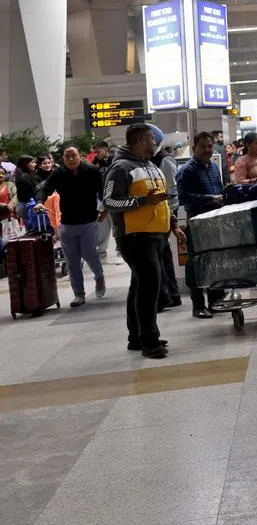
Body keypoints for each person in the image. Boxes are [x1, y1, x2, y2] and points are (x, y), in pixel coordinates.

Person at [104, 123, 179, 359]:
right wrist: (140, 202)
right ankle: (150, 341)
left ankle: (136, 337)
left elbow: (160, 199)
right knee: (149, 286)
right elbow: (109, 201)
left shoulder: (149, 165)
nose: (155, 143)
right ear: (142, 140)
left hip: (156, 233)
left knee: (140, 285)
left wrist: (173, 223)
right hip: (135, 236)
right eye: (152, 139)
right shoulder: (120, 168)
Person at [36, 146, 106, 307]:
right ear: (63, 159)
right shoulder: (59, 173)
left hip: (89, 221)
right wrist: (39, 202)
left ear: (80, 156)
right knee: (72, 261)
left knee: (90, 254)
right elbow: (44, 189)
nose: (71, 159)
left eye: (74, 155)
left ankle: (99, 277)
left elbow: (103, 192)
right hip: (67, 223)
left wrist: (105, 209)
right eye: (67, 157)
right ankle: (79, 294)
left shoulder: (92, 172)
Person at [176, 132, 227, 318]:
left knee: (216, 261)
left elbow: (219, 190)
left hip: (215, 220)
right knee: (197, 264)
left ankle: (215, 301)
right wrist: (209, 198)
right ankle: (198, 305)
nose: (207, 150)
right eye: (203, 146)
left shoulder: (213, 167)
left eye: (210, 146)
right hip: (197, 222)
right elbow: (183, 198)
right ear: (194, 148)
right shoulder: (187, 170)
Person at [146, 125, 182, 311]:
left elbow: (171, 189)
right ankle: (171, 294)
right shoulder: (149, 160)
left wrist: (170, 215)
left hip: (166, 212)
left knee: (159, 255)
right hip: (159, 213)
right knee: (163, 254)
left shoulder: (164, 160)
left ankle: (167, 295)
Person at [13, 155, 37, 223]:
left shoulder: (23, 175)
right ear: (25, 164)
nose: (35, 164)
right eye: (32, 162)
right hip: (27, 206)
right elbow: (33, 191)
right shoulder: (23, 177)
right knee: (32, 226)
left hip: (25, 205)